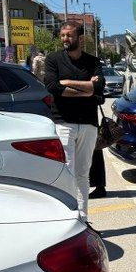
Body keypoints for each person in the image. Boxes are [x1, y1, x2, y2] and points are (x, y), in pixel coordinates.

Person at [44, 20, 105, 219]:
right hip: (64, 122)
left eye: (69, 35)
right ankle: (68, 219)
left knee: (82, 174)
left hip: (88, 124)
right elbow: (53, 87)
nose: (64, 39)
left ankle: (83, 220)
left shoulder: (93, 62)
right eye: (62, 35)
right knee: (66, 172)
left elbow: (99, 88)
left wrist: (68, 83)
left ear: (80, 38)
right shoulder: (53, 59)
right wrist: (86, 89)